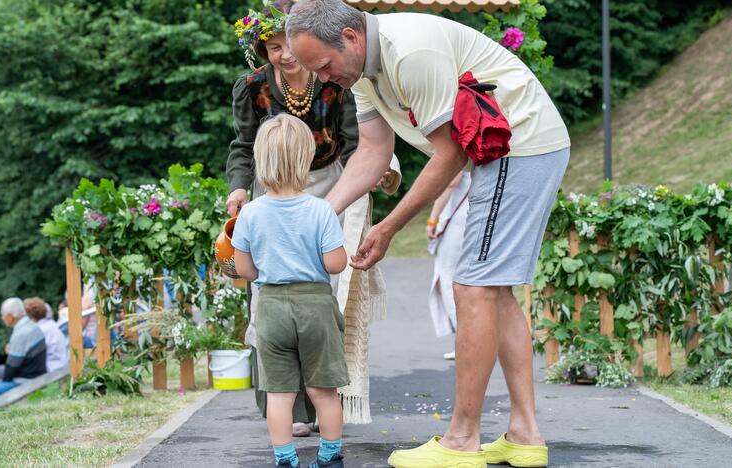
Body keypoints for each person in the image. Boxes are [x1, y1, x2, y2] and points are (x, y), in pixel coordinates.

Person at [287, 2, 570, 466]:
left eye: (323, 66)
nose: (322, 79)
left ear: (351, 38)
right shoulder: (359, 74)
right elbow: (374, 153)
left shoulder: (409, 52)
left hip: (518, 145)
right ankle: (524, 434)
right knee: (492, 290)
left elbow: (450, 154)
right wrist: (320, 213)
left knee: (473, 287)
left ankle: (462, 440)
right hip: (505, 152)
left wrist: (389, 226)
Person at [227, 0, 401, 436]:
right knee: (267, 295)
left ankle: (327, 398)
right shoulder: (252, 87)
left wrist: (376, 174)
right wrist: (239, 187)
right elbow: (242, 145)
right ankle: (286, 408)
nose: (285, 55)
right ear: (262, 48)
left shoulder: (333, 79)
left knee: (325, 293)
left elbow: (357, 139)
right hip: (271, 190)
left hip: (329, 186)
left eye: (289, 45)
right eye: (273, 47)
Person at [233, 114, 349, 468]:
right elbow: (335, 264)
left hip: (270, 307)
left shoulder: (250, 213)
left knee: (279, 394)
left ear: (260, 160)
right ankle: (329, 457)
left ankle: (286, 459)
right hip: (314, 303)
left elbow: (244, 270)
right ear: (306, 159)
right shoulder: (320, 210)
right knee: (323, 390)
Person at [426, 170, 470, 360]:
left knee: (448, 282)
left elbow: (452, 179)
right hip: (468, 216)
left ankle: (465, 343)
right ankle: (470, 340)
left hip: (456, 221)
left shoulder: (454, 142)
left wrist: (433, 218)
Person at [0, 298, 47, 406]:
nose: (2, 318)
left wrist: (0, 383)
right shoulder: (33, 327)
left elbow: (10, 371)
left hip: (25, 381)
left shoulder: (20, 334)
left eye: (3, 315)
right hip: (37, 375)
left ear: (10, 316)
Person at [24, 297, 69, 372]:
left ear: (30, 316)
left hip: (50, 370)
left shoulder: (39, 330)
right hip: (62, 364)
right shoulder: (52, 325)